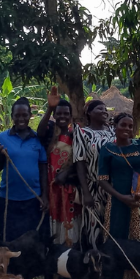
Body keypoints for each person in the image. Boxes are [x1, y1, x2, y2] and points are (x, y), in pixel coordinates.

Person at [98, 112, 140, 279]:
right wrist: (121, 197)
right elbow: (103, 180)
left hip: (138, 202)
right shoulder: (107, 150)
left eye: (130, 126)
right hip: (117, 203)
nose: (127, 129)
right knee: (117, 244)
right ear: (114, 125)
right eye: (124, 125)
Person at [0, 97, 49, 242]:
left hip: (32, 200)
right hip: (8, 200)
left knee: (30, 240)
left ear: (30, 116)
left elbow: (43, 170)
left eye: (24, 115)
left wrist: (44, 196)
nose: (21, 118)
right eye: (17, 115)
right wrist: (0, 155)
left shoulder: (37, 139)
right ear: (12, 117)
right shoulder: (2, 138)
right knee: (7, 239)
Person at [37, 87, 80, 247]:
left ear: (70, 116)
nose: (62, 117)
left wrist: (68, 172)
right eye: (59, 114)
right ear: (55, 116)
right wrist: (49, 108)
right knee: (54, 217)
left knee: (70, 219)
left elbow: (81, 160)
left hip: (69, 186)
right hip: (51, 187)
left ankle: (70, 253)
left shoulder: (76, 134)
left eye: (65, 114)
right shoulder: (49, 131)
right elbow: (39, 133)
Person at [74, 99, 114, 249]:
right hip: (93, 188)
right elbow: (80, 163)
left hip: (114, 188)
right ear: (89, 112)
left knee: (111, 227)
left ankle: (110, 264)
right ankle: (93, 263)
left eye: (105, 109)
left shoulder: (112, 131)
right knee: (94, 228)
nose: (104, 111)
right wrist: (86, 192)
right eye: (99, 109)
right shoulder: (83, 133)